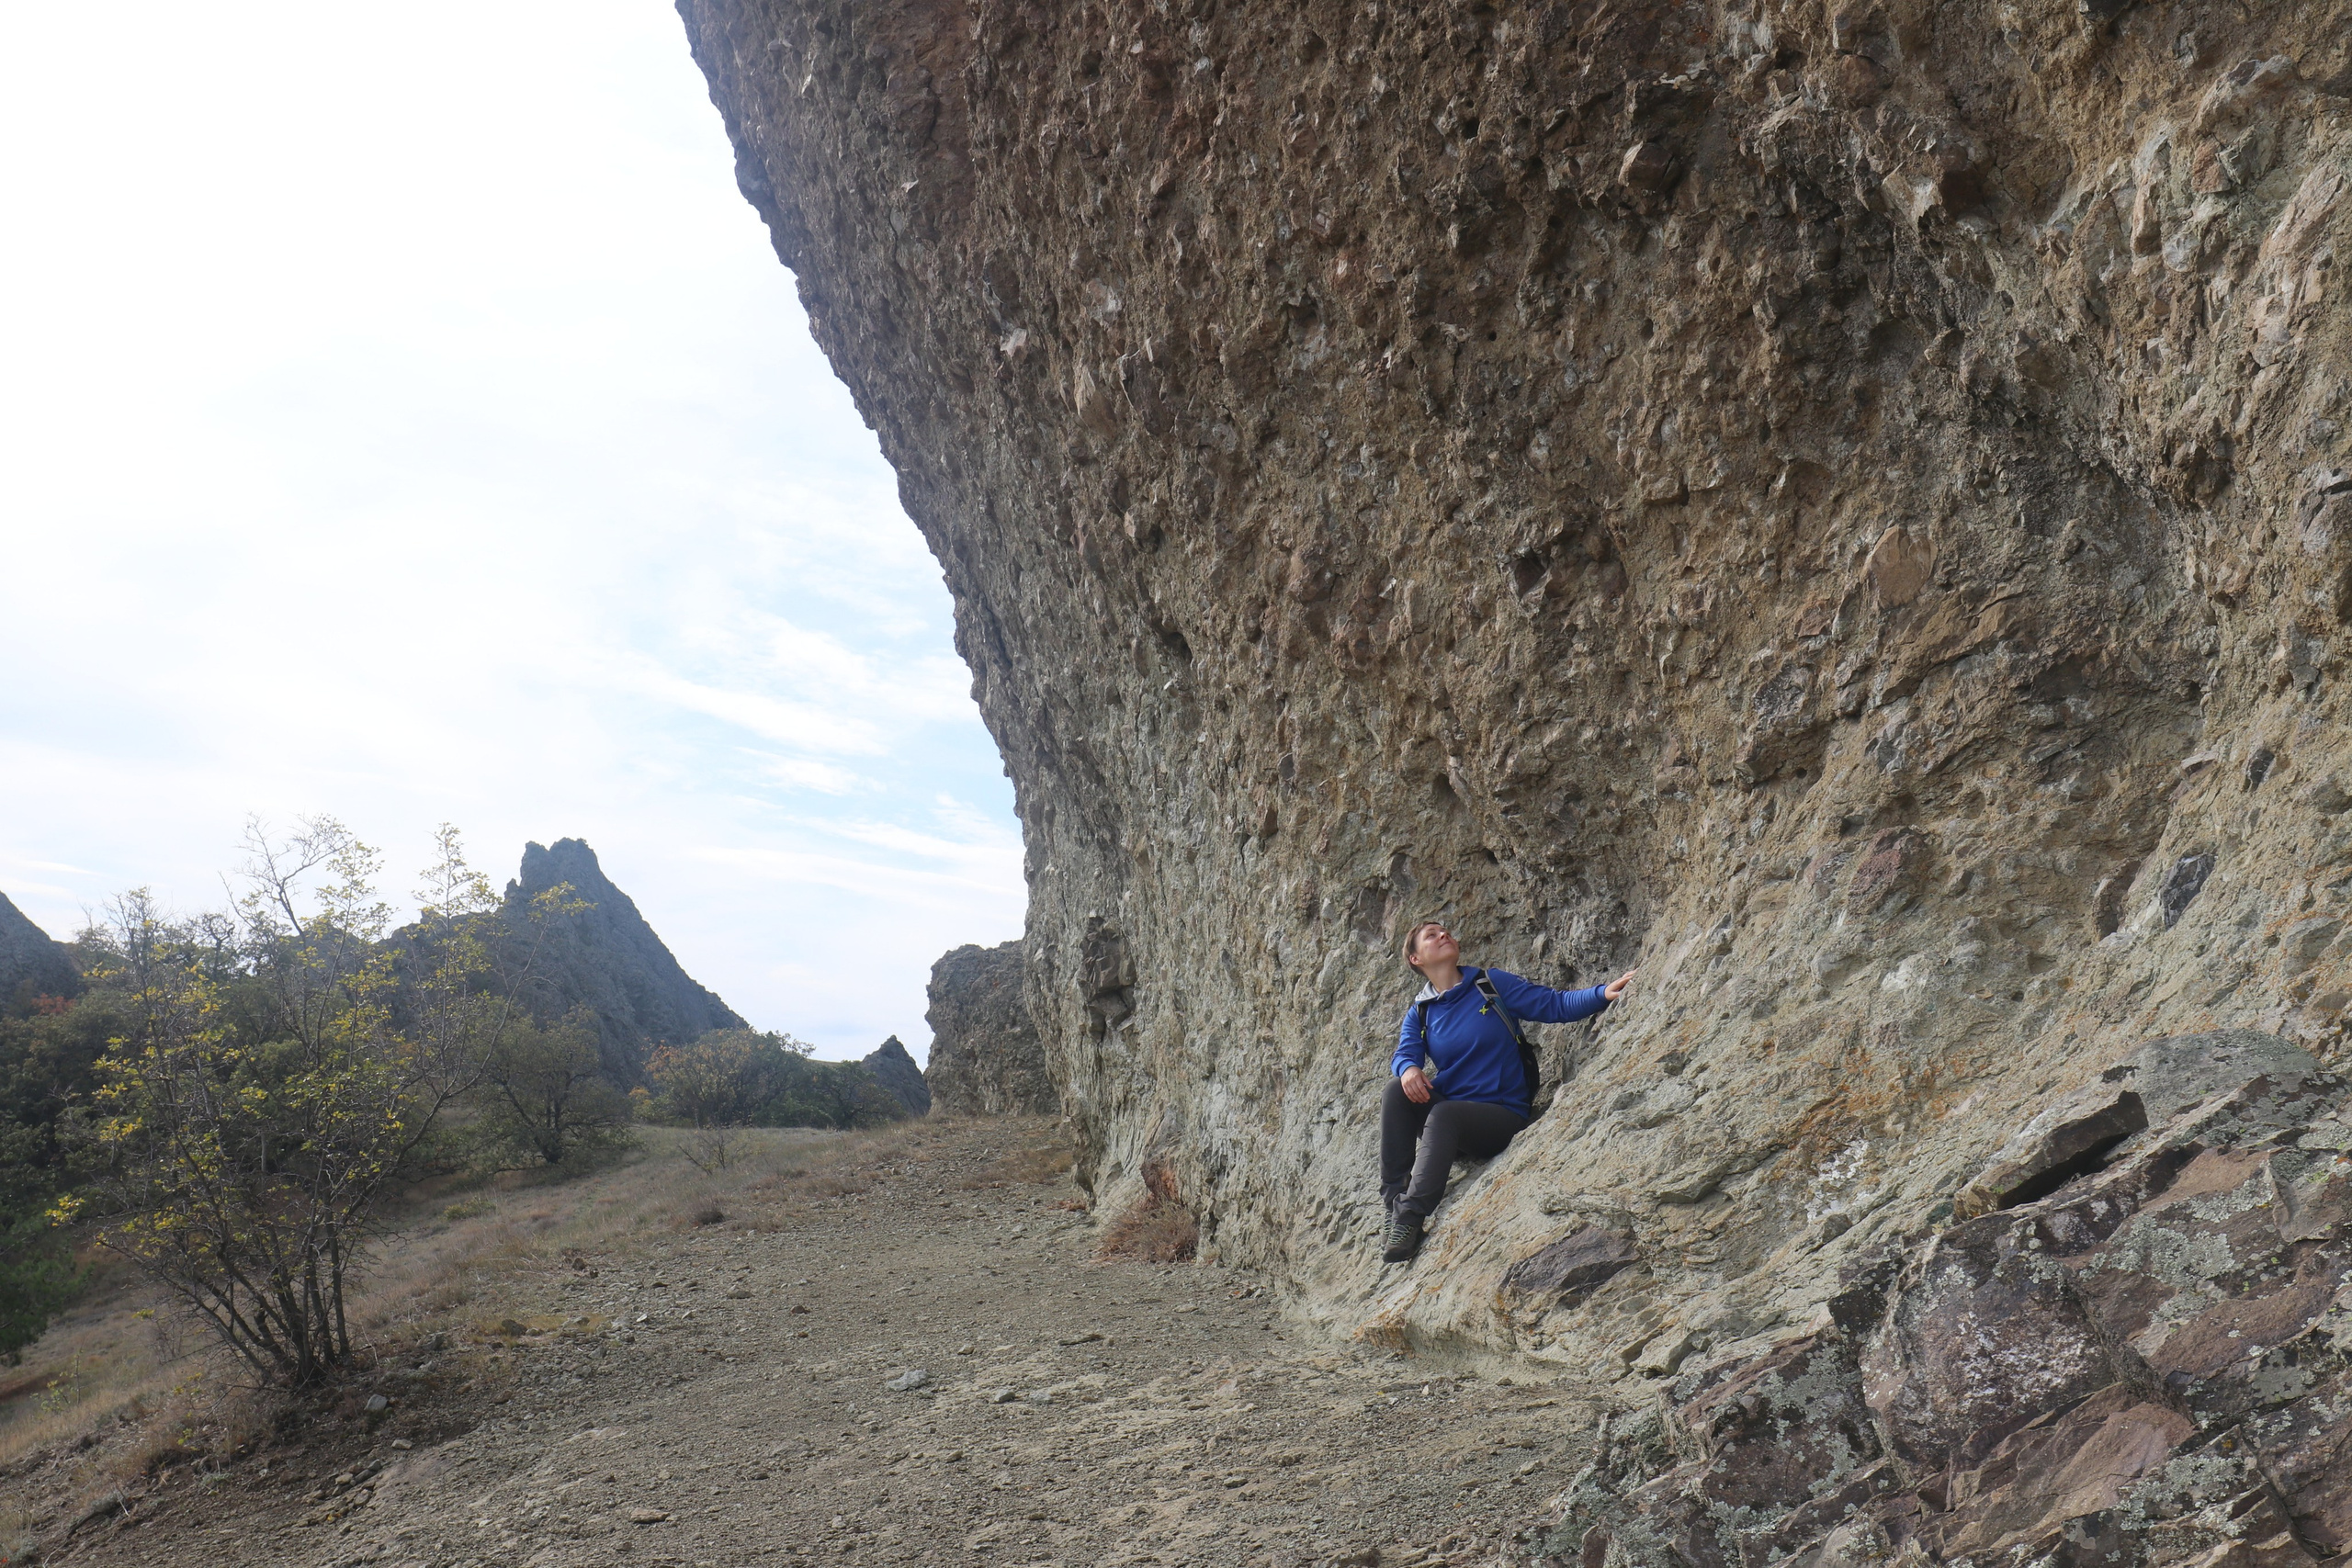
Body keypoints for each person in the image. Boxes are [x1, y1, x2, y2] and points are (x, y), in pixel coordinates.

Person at [1381, 919, 1636, 1263]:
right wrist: (1409, 1068)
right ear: (1415, 959)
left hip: (1500, 1115)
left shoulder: (1488, 984)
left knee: (1444, 1113)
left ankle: (1410, 1218)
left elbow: (1554, 1005)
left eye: (1446, 931)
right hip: (1452, 1123)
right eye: (1431, 935)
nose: (1444, 935)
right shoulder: (1421, 1013)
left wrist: (1602, 993)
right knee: (1396, 1090)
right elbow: (1404, 1054)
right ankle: (1393, 1211)